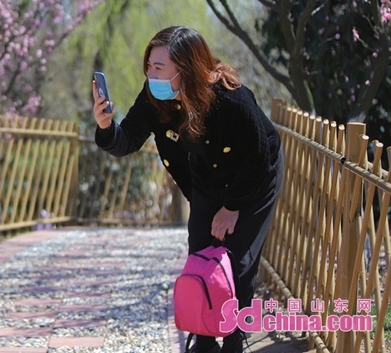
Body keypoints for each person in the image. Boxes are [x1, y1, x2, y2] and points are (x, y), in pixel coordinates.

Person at [92, 26, 283, 353]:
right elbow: (128, 140)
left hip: (254, 177)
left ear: (187, 68)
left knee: (236, 260)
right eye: (149, 66)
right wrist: (107, 126)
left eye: (159, 67)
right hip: (206, 180)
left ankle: (235, 337)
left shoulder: (231, 98)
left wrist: (233, 206)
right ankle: (204, 337)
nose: (151, 74)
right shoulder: (154, 97)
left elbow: (258, 155)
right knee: (200, 255)